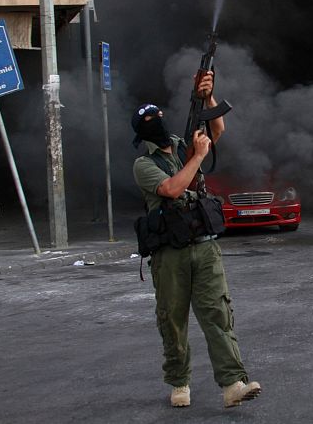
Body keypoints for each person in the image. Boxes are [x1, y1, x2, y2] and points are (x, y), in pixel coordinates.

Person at [131, 71, 261, 409]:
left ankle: (232, 383)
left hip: (203, 245)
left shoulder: (181, 144)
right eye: (151, 120)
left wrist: (207, 96)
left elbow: (216, 129)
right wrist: (198, 157)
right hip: (169, 254)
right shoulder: (143, 164)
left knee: (217, 313)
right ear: (142, 132)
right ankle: (179, 381)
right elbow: (173, 189)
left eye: (160, 115)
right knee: (172, 321)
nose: (159, 121)